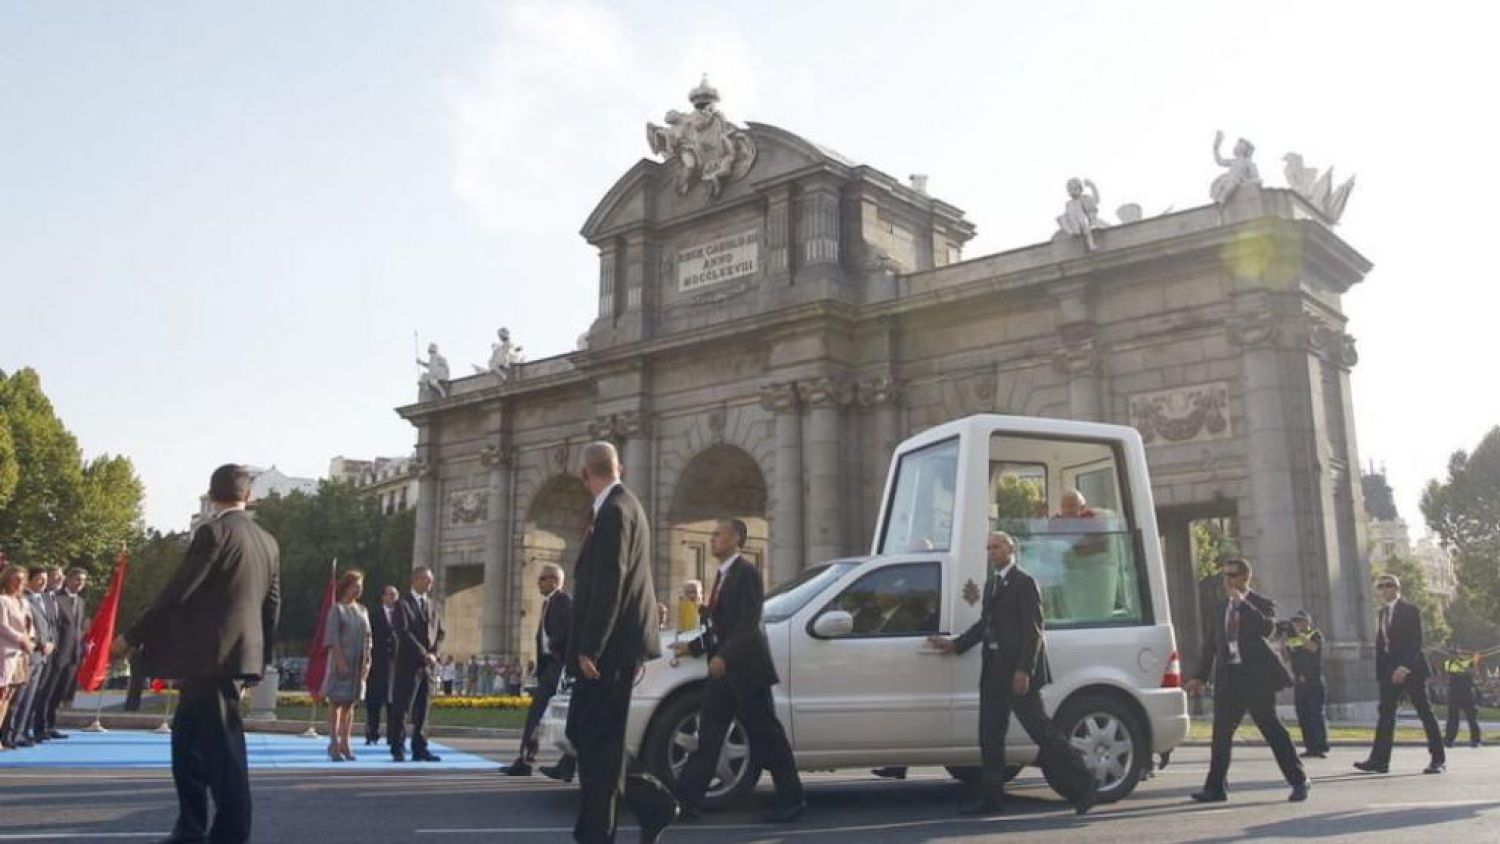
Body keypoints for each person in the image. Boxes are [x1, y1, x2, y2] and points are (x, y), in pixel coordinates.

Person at [111, 464, 281, 844]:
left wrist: (132, 635)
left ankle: (230, 834)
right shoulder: (268, 541)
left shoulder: (213, 532)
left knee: (223, 755)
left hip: (210, 659)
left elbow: (179, 591)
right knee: (186, 747)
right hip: (234, 657)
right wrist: (260, 660)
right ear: (249, 496)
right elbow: (272, 605)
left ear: (212, 494)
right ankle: (190, 828)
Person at [928, 532, 1098, 815]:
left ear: (1011, 549)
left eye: (996, 547)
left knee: (1042, 733)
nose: (991, 552)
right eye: (988, 548)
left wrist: (1024, 669)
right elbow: (985, 625)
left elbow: (1034, 630)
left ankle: (1085, 781)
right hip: (993, 671)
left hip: (1016, 673)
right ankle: (991, 799)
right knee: (990, 736)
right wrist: (956, 644)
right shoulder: (992, 583)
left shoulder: (1024, 582)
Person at [566, 441, 678, 844]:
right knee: (588, 733)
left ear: (585, 474)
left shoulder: (614, 511)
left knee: (596, 736)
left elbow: (609, 583)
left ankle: (597, 831)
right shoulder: (625, 506)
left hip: (608, 649)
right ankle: (651, 803)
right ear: (621, 468)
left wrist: (591, 646)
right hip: (614, 646)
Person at [670, 519, 806, 823]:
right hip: (724, 675)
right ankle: (686, 801)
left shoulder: (747, 573)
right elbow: (720, 627)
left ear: (735, 539)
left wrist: (724, 656)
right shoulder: (722, 575)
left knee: (766, 735)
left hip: (748, 671)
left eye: (718, 534)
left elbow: (748, 623)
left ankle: (792, 799)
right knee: (709, 735)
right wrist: (692, 647)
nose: (712, 538)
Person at [1184, 557, 1308, 803]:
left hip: (1255, 679)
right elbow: (1210, 646)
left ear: (1245, 577)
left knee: (1271, 728)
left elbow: (1267, 629)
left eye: (1232, 575)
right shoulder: (1219, 608)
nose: (1227, 580)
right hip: (1228, 677)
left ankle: (1299, 780)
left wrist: (1243, 605)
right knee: (1221, 734)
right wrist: (1199, 676)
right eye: (1225, 575)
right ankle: (1215, 788)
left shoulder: (1261, 604)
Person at [1355, 574, 1446, 774]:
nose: (1385, 589)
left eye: (1389, 585)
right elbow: (1383, 646)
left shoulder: (1410, 610)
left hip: (1411, 670)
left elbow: (1415, 642)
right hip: (1389, 673)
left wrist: (1404, 667)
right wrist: (1382, 674)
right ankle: (1379, 761)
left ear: (1398, 588)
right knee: (1385, 715)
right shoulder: (1382, 613)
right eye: (1381, 586)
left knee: (1425, 712)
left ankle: (1438, 760)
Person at [501, 563, 575, 778]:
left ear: (553, 580)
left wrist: (557, 649)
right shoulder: (549, 603)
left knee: (565, 715)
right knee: (541, 712)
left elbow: (571, 630)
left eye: (542, 579)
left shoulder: (562, 601)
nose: (538, 583)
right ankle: (528, 760)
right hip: (550, 667)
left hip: (559, 667)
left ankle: (561, 763)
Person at [389, 566, 445, 762]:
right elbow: (403, 633)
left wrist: (434, 653)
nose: (429, 583)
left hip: (428, 667)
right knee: (403, 708)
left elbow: (440, 633)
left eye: (431, 580)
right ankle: (398, 747)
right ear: (414, 580)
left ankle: (420, 747)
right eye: (425, 579)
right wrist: (423, 654)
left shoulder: (434, 606)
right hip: (409, 665)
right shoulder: (402, 605)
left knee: (423, 709)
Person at [320, 569, 372, 762]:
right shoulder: (337, 610)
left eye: (361, 586)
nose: (358, 590)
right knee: (336, 703)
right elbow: (332, 638)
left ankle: (346, 743)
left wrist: (368, 660)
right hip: (341, 663)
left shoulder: (363, 610)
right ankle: (333, 744)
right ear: (346, 587)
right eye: (355, 586)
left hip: (358, 664)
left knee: (350, 705)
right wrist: (340, 660)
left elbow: (368, 638)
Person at [4, 567, 56, 748]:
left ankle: (19, 732)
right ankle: (8, 734)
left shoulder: (42, 599)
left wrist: (48, 642)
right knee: (15, 698)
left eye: (45, 579)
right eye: (39, 579)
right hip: (21, 654)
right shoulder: (16, 600)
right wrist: (37, 644)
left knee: (28, 698)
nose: (43, 582)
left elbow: (45, 626)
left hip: (37, 654)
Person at [36, 566, 88, 741]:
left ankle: (51, 725)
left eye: (83, 581)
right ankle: (40, 726)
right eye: (77, 579)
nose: (79, 583)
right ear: (68, 579)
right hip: (57, 653)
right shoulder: (56, 598)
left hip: (73, 654)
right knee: (48, 691)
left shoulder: (80, 602)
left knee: (60, 692)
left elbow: (77, 628)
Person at [0, 564, 37, 749]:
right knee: (1, 693)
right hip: (5, 653)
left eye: (22, 580)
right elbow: (2, 626)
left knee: (9, 696)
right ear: (7, 579)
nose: (19, 583)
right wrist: (21, 639)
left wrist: (31, 640)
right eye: (16, 579)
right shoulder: (2, 600)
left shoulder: (24, 602)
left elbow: (30, 626)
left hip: (21, 655)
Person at [1283, 610, 1329, 758]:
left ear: (1307, 622)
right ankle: (1310, 746)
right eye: (1295, 622)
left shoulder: (1315, 634)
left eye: (1299, 621)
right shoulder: (1293, 639)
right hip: (1299, 681)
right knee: (1303, 715)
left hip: (1313, 680)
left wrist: (1298, 637)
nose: (1297, 625)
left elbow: (1313, 647)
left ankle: (1320, 746)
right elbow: (1286, 658)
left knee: (1316, 713)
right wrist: (1284, 644)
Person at [364, 585, 399, 745]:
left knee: (394, 704)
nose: (393, 598)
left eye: (395, 595)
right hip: (377, 666)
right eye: (390, 594)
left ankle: (393, 736)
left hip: (395, 666)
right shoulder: (374, 615)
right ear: (383, 597)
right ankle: (372, 734)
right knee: (374, 702)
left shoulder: (402, 616)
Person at [1443, 647, 1483, 748]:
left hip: (1467, 693)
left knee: (1471, 718)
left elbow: (1474, 673)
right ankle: (1449, 740)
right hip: (1454, 694)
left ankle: (1475, 740)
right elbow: (1451, 672)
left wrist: (1473, 660)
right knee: (1452, 718)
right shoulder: (1448, 663)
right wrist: (1460, 664)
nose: (1452, 656)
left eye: (1455, 654)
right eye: (1451, 654)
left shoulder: (1467, 662)